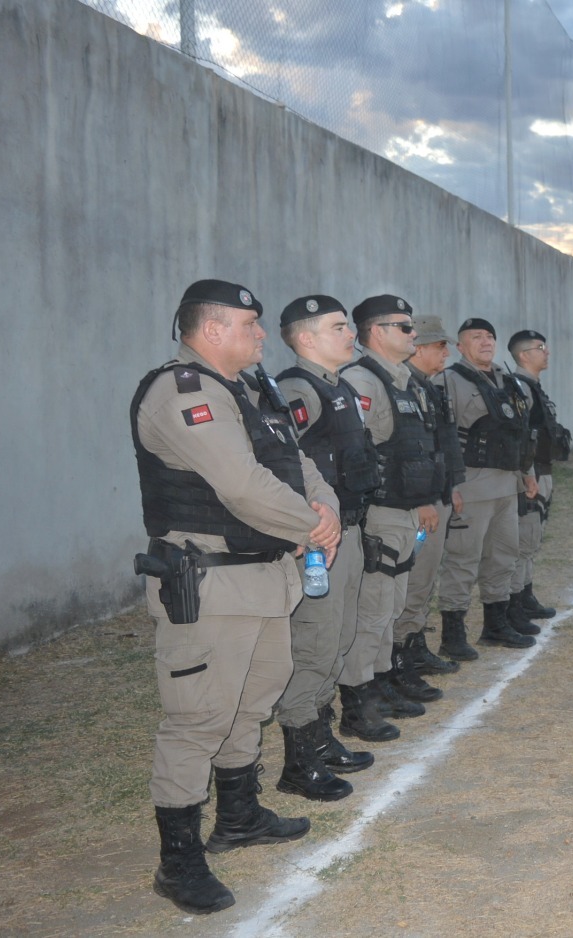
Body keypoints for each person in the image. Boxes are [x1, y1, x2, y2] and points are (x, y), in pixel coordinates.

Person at [133, 279, 341, 914]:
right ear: (212, 330)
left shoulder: (249, 390)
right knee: (199, 717)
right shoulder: (182, 391)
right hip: (211, 582)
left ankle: (240, 816)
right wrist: (313, 525)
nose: (260, 336)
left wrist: (325, 509)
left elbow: (297, 463)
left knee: (252, 703)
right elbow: (242, 485)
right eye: (250, 325)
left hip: (262, 576)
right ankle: (179, 861)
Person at [272, 294, 381, 802]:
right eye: (339, 327)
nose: (350, 334)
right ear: (306, 338)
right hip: (319, 543)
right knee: (314, 643)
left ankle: (321, 736)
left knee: (337, 639)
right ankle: (299, 759)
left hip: (349, 533)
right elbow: (278, 463)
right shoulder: (296, 390)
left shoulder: (336, 386)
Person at [340, 295, 444, 729]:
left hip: (401, 510)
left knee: (391, 605)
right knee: (374, 609)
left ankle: (379, 681)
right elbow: (354, 452)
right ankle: (358, 700)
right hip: (380, 512)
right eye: (404, 327)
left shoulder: (399, 379)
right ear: (377, 332)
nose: (413, 334)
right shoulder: (363, 381)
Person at [434, 318, 539, 652]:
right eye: (475, 337)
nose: (485, 341)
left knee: (503, 557)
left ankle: (496, 624)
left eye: (490, 336)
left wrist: (528, 471)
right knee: (463, 560)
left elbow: (519, 431)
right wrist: (449, 484)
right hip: (471, 488)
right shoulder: (448, 380)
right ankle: (453, 635)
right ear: (460, 347)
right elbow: (440, 436)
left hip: (508, 486)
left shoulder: (508, 381)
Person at [394, 316, 469, 668]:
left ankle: (415, 642)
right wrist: (424, 499)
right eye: (440, 345)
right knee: (413, 577)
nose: (447, 352)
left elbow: (446, 443)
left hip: (436, 495)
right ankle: (402, 653)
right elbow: (408, 451)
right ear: (418, 347)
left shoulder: (431, 387)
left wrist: (451, 486)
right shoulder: (401, 386)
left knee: (425, 576)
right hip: (416, 502)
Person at [507, 329, 570, 627]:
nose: (547, 352)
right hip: (531, 475)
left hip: (544, 470)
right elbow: (520, 439)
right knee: (523, 540)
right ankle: (514, 602)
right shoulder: (519, 387)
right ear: (523, 355)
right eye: (540, 347)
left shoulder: (533, 386)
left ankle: (526, 593)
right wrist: (526, 476)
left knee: (533, 539)